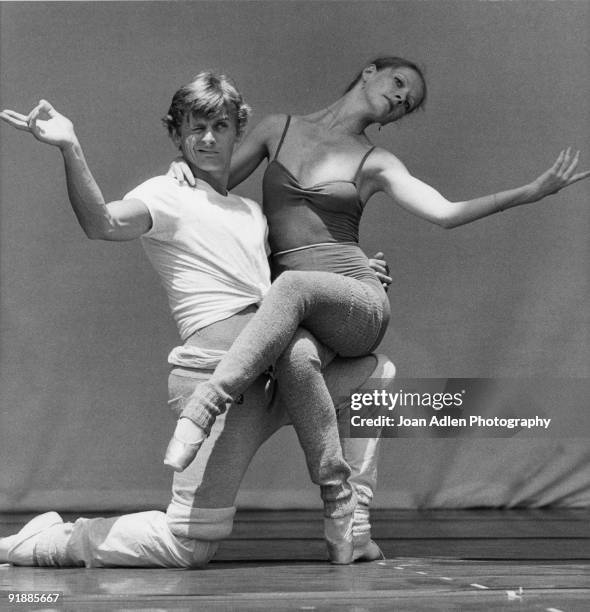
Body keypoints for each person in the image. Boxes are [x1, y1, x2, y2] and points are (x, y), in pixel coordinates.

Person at [0, 72, 395, 566]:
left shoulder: (251, 212)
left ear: (237, 131)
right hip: (216, 377)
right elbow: (101, 222)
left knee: (375, 375)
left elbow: (291, 289)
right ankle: (42, 543)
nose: (208, 138)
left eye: (221, 126)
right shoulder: (166, 194)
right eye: (196, 127)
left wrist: (357, 273)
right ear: (177, 134)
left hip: (283, 375)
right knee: (189, 543)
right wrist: (70, 145)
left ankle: (352, 529)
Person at [165, 55, 589, 480]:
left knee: (293, 286)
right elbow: (213, 188)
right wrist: (183, 167)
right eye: (400, 83)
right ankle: (341, 502)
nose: (401, 98)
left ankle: (207, 404)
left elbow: (445, 212)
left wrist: (532, 192)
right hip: (299, 308)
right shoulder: (279, 129)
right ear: (369, 72)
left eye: (407, 103)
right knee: (296, 360)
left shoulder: (377, 162)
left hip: (355, 301)